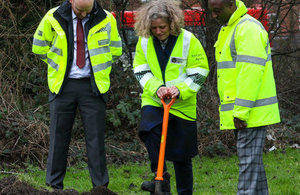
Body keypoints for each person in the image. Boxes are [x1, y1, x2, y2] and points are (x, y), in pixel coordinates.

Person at [32, 0, 122, 189]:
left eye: (87, 11)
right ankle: (54, 187)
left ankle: (100, 188)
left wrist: (100, 69)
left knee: (96, 140)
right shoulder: (52, 17)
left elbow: (115, 50)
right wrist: (56, 63)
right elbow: (38, 46)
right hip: (62, 86)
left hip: (93, 86)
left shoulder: (106, 19)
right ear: (71, 1)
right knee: (58, 138)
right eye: (80, 11)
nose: (83, 15)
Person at [133, 0, 209, 194]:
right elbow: (141, 70)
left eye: (162, 27)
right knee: (148, 130)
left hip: (182, 103)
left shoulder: (189, 40)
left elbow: (200, 72)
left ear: (172, 23)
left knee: (182, 156)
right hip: (155, 99)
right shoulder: (144, 41)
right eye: (154, 28)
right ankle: (161, 179)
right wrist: (157, 88)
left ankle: (185, 192)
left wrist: (179, 89)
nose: (158, 31)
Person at [208, 0, 281, 194]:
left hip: (249, 112)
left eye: (217, 10)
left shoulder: (246, 29)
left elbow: (250, 74)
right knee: (252, 166)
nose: (213, 15)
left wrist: (241, 111)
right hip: (248, 111)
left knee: (248, 168)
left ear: (231, 5)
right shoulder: (233, 28)